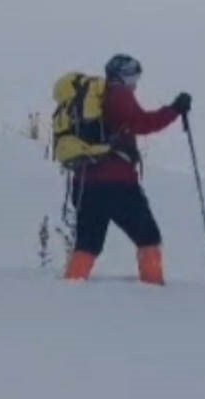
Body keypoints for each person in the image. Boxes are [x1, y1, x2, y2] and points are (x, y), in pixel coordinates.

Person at [63, 54, 191, 285]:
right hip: (118, 183)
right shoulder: (119, 95)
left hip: (85, 181)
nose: (135, 83)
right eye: (134, 76)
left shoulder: (92, 100)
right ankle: (153, 291)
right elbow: (141, 122)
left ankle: (71, 286)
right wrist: (174, 110)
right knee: (148, 237)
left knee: (88, 243)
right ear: (125, 75)